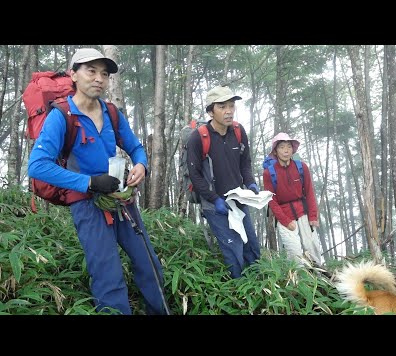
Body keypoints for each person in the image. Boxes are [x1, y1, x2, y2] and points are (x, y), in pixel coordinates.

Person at [28, 48, 169, 315]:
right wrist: (89, 182)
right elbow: (37, 166)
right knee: (108, 277)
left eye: (104, 73)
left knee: (149, 264)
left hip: (122, 202)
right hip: (88, 206)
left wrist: (141, 165)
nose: (99, 79)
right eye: (90, 71)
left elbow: (135, 147)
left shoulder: (112, 113)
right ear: (73, 75)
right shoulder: (62, 116)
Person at [187, 85, 261, 279]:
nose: (229, 111)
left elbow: (245, 164)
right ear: (211, 111)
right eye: (222, 106)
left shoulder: (238, 131)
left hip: (239, 200)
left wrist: (251, 183)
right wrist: (214, 199)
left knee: (251, 246)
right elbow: (194, 174)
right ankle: (238, 291)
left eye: (231, 105)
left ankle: (258, 288)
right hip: (215, 206)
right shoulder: (199, 137)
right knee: (233, 250)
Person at [263, 132, 322, 268]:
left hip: (304, 213)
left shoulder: (301, 167)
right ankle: (300, 283)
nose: (286, 150)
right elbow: (271, 200)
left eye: (289, 146)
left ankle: (320, 278)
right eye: (282, 147)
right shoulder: (269, 173)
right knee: (294, 253)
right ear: (275, 151)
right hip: (284, 215)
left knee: (312, 247)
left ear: (293, 149)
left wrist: (313, 216)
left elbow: (309, 192)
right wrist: (285, 220)